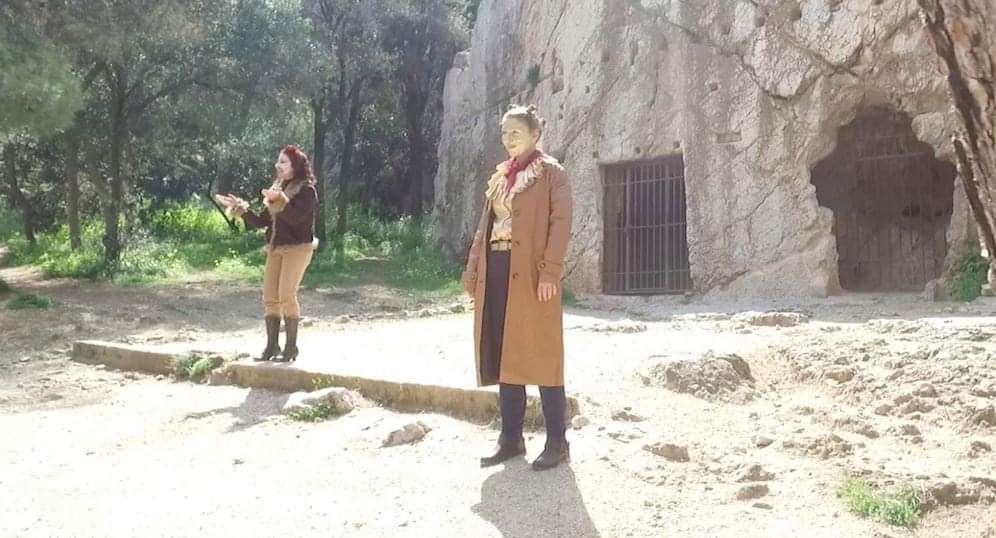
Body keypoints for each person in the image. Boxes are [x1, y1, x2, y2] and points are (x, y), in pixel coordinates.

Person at [461, 104, 573, 471]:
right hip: (497, 268)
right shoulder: (501, 177)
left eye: (516, 133)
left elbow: (560, 224)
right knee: (505, 353)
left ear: (535, 134)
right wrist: (473, 271)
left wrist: (550, 273)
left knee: (543, 354)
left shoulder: (552, 173)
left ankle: (557, 441)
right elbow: (485, 228)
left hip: (532, 272)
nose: (509, 139)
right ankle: (511, 438)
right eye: (505, 133)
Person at [215, 145, 318, 363]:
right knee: (270, 298)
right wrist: (240, 208)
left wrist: (278, 200)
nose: (277, 165)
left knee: (286, 295)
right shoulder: (277, 188)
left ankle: (291, 348)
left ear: (295, 165)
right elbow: (262, 221)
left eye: (283, 162)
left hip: (298, 249)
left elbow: (295, 219)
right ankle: (272, 347)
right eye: (278, 161)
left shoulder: (306, 190)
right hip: (275, 248)